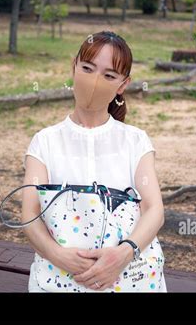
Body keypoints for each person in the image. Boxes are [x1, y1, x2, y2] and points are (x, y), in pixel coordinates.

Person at [21, 30, 166, 292]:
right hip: (58, 278)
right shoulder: (45, 141)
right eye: (87, 68)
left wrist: (123, 254)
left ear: (123, 85)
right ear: (73, 66)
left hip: (128, 276)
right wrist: (58, 255)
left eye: (109, 75)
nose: (95, 81)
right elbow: (30, 214)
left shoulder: (135, 141)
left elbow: (154, 209)